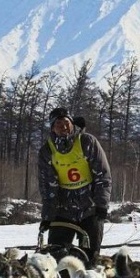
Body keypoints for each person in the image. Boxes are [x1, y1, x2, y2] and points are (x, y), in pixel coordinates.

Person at [38, 107, 111, 266]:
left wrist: (101, 205)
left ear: (72, 124)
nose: (63, 127)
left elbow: (102, 176)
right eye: (58, 124)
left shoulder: (87, 142)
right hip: (63, 211)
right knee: (56, 255)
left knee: (91, 257)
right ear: (52, 128)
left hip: (90, 208)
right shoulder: (47, 151)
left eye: (66, 123)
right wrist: (47, 217)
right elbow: (48, 188)